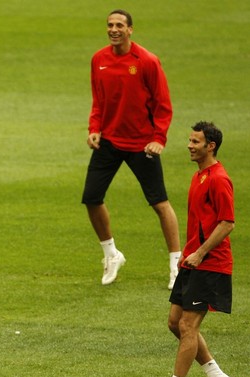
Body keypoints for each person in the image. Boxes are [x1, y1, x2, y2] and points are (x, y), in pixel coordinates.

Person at [82, 9, 181, 288]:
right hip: (110, 141)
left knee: (160, 203)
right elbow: (98, 99)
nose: (114, 29)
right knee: (91, 198)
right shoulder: (98, 59)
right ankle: (111, 254)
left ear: (130, 30)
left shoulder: (147, 61)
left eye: (119, 26)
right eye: (110, 25)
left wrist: (158, 139)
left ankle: (177, 264)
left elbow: (163, 104)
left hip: (142, 143)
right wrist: (94, 129)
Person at [141, 121, 234, 377]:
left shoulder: (218, 178)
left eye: (195, 142)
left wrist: (201, 253)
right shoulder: (200, 176)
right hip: (193, 261)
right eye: (190, 140)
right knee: (174, 323)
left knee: (187, 325)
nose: (189, 146)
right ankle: (216, 375)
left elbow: (227, 222)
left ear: (211, 146)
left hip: (210, 263)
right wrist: (189, 253)